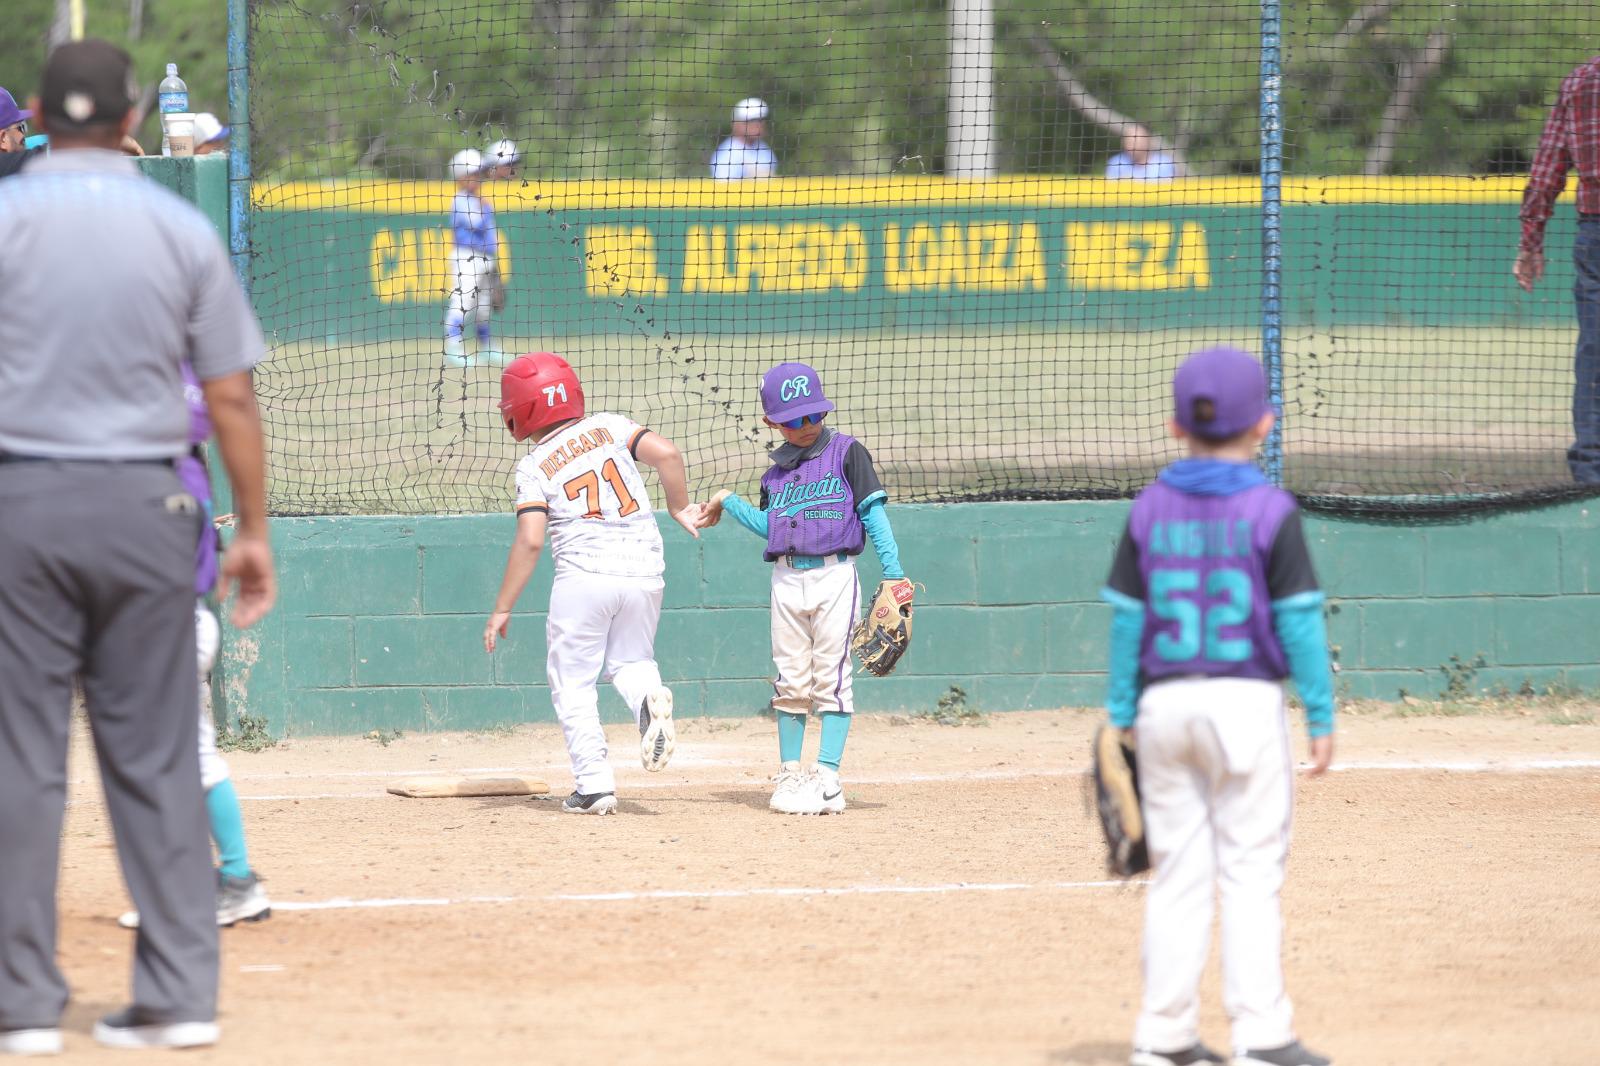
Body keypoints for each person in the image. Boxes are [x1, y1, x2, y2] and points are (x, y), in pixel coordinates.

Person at [0, 39, 274, 1054]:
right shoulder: (178, 226)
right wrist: (252, 530)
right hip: (147, 507)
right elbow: (230, 395)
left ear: (36, 117)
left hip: (20, 503)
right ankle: (177, 996)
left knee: (19, 761)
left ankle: (21, 1003)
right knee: (158, 755)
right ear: (130, 122)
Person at [1099, 347, 1333, 1066]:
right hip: (1245, 704)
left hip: (1164, 706)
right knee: (1250, 873)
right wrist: (1320, 714)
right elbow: (1298, 620)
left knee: (1178, 875)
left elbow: (1128, 620)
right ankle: (1262, 1036)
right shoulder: (1271, 508)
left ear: (1176, 426)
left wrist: (1121, 710)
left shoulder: (1150, 507)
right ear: (1265, 423)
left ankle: (1163, 1037)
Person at [483, 352, 700, 814]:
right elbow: (667, 454)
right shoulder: (609, 425)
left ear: (520, 410)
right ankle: (647, 702)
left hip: (584, 575)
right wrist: (679, 506)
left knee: (573, 681)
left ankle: (594, 784)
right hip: (645, 567)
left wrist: (502, 606)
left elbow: (531, 540)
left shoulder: (534, 466)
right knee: (631, 660)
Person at [695, 362, 906, 815]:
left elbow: (873, 515)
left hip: (835, 576)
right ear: (772, 422)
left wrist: (894, 573)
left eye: (814, 414)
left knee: (832, 677)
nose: (807, 425)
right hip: (786, 579)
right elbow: (769, 527)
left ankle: (827, 777)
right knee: (791, 678)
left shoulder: (848, 453)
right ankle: (791, 773)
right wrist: (727, 500)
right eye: (793, 420)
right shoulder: (773, 477)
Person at [116, 366, 272, 932]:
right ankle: (218, 879)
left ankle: (230, 880)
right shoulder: (186, 476)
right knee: (174, 759)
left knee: (180, 760)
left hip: (166, 629)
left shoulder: (165, 486)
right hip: (174, 626)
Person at [1515, 55, 1600, 484]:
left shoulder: (1583, 80)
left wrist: (1531, 241)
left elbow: (1548, 166)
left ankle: (1592, 474)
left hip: (1596, 231)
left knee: (1596, 352)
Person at [442, 147, 505, 369]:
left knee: (484, 306)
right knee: (463, 301)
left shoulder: (477, 199)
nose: (478, 177)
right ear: (461, 176)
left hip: (485, 257)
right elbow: (476, 223)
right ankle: (453, 347)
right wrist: (485, 206)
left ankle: (486, 346)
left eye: (479, 173)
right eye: (473, 173)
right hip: (467, 257)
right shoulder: (461, 200)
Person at [710, 97, 777, 180]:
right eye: (752, 120)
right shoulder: (727, 154)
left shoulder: (764, 149)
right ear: (736, 123)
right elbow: (723, 185)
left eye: (761, 119)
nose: (758, 124)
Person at [1105, 124, 1178, 182]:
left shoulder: (1164, 164)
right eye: (1128, 140)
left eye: (1135, 140)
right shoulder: (1116, 162)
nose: (1130, 144)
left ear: (1148, 140)